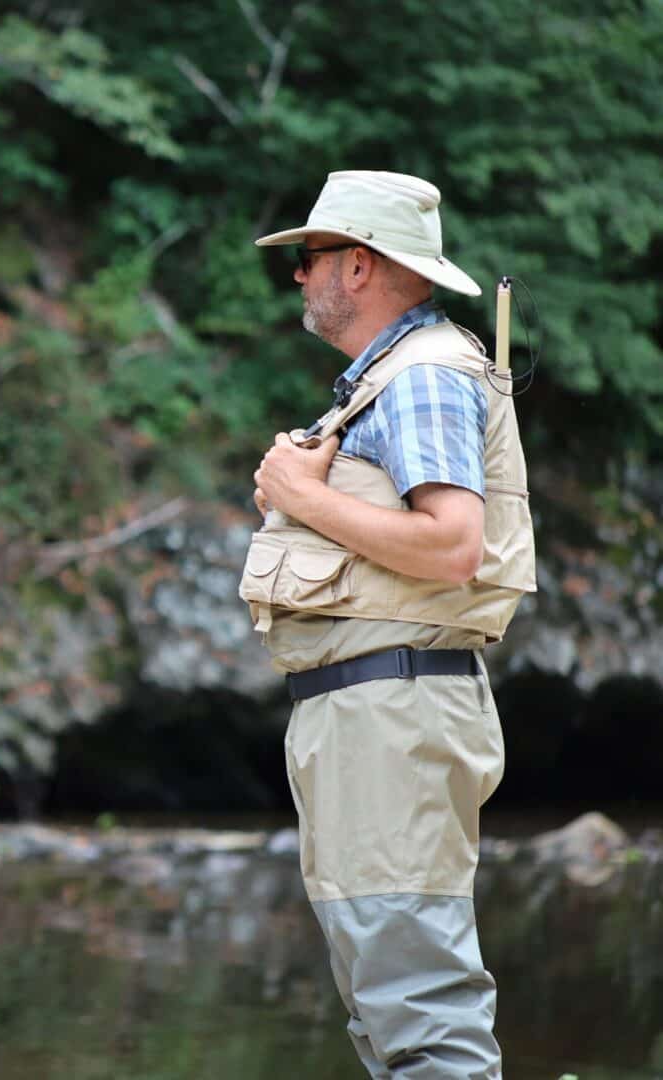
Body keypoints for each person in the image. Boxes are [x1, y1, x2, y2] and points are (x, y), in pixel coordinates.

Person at [242, 171, 536, 1078]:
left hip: (393, 715)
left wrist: (299, 497)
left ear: (361, 267)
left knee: (418, 1009)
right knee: (388, 1004)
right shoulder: (395, 377)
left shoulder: (422, 378)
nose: (301, 276)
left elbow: (452, 546)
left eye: (312, 257)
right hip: (371, 712)